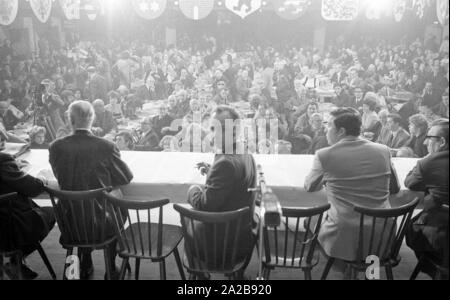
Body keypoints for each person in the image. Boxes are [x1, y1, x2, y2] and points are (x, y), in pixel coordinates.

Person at [304, 108, 400, 277]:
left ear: (341, 131)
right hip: (383, 230)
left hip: (345, 232)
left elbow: (310, 186)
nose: (326, 132)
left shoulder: (325, 155)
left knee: (309, 220)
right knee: (370, 247)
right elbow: (395, 189)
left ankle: (345, 268)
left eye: (328, 128)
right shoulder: (383, 150)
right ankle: (370, 273)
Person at [49, 100, 134, 279]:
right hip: (102, 221)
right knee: (115, 201)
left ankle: (84, 261)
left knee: (85, 207)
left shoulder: (55, 147)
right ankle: (110, 266)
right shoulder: (106, 146)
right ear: (92, 119)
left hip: (69, 220)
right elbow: (125, 177)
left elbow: (60, 176)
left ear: (70, 120)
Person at [187, 105, 257, 278]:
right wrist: (212, 171)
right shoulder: (245, 152)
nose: (211, 133)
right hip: (242, 234)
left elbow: (205, 205)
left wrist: (193, 190)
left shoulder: (225, 163)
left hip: (222, 243)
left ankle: (201, 275)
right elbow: (235, 180)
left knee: (189, 217)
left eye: (214, 129)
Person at [0, 127, 55, 280]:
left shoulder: (5, 162)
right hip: (7, 224)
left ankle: (15, 261)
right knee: (53, 212)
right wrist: (43, 179)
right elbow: (32, 188)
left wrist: (13, 166)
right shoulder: (3, 159)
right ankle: (16, 259)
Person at [405, 119, 449, 278]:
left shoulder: (429, 162)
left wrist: (425, 162)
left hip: (440, 228)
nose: (425, 142)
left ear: (442, 142)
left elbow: (410, 183)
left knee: (412, 227)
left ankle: (435, 269)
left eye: (429, 137)